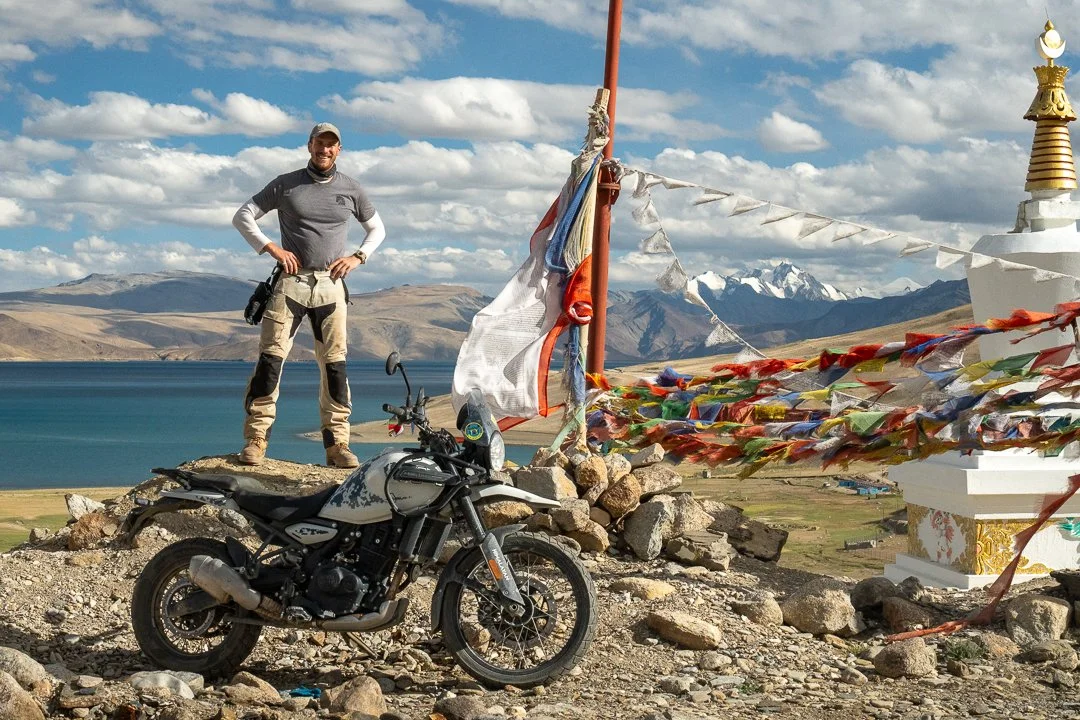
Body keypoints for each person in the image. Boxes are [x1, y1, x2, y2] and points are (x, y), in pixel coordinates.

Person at [231, 122, 385, 468]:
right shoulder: (286, 184)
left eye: (331, 145)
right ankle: (256, 439)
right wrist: (270, 247)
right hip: (290, 283)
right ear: (309, 145)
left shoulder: (351, 189)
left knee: (335, 367)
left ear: (339, 149)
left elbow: (377, 229)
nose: (324, 150)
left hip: (331, 286)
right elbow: (243, 216)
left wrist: (358, 257)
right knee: (270, 361)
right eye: (319, 143)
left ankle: (337, 445)